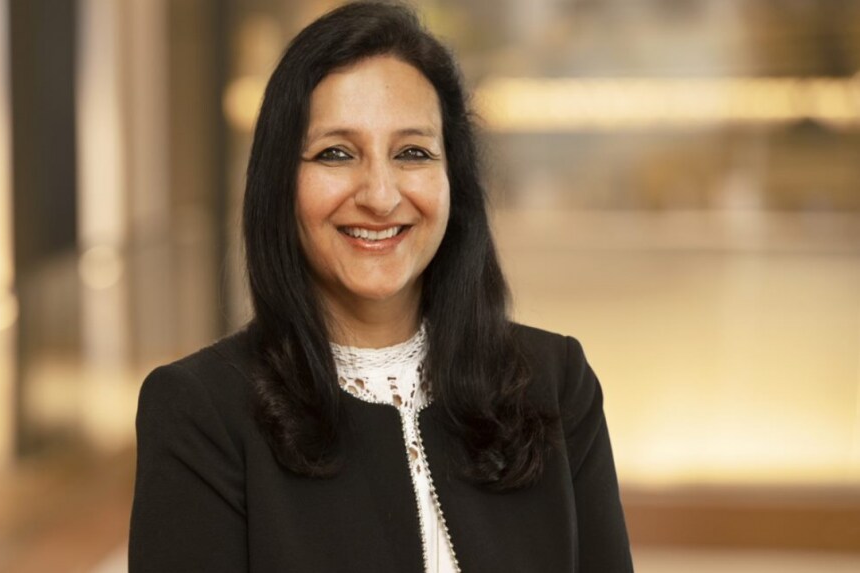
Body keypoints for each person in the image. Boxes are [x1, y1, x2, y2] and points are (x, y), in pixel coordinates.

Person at [129, 2, 632, 572]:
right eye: (336, 153)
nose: (380, 196)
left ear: (454, 179)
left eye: (412, 153)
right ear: (280, 180)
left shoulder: (555, 382)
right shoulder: (201, 411)